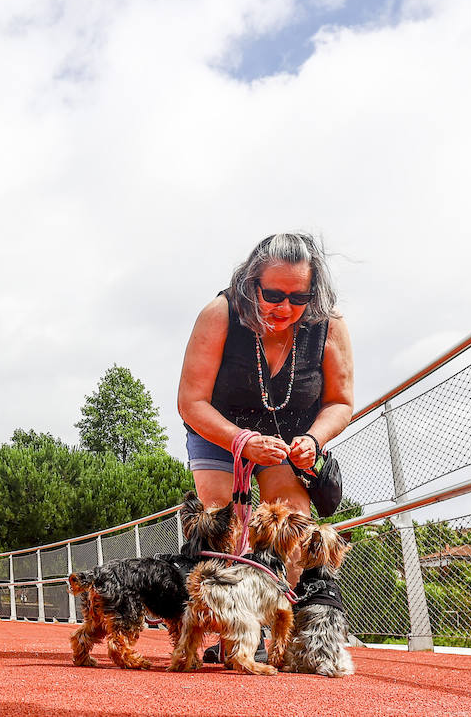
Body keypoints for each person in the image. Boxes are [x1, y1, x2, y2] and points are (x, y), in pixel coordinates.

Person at [177, 233, 354, 661]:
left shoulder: (329, 324)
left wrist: (314, 440)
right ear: (250, 284)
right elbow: (190, 401)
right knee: (223, 524)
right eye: (273, 294)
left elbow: (340, 402)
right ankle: (233, 632)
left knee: (291, 525)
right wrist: (241, 441)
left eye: (299, 297)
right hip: (221, 429)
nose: (285, 308)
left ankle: (272, 625)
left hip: (289, 439)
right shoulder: (219, 314)